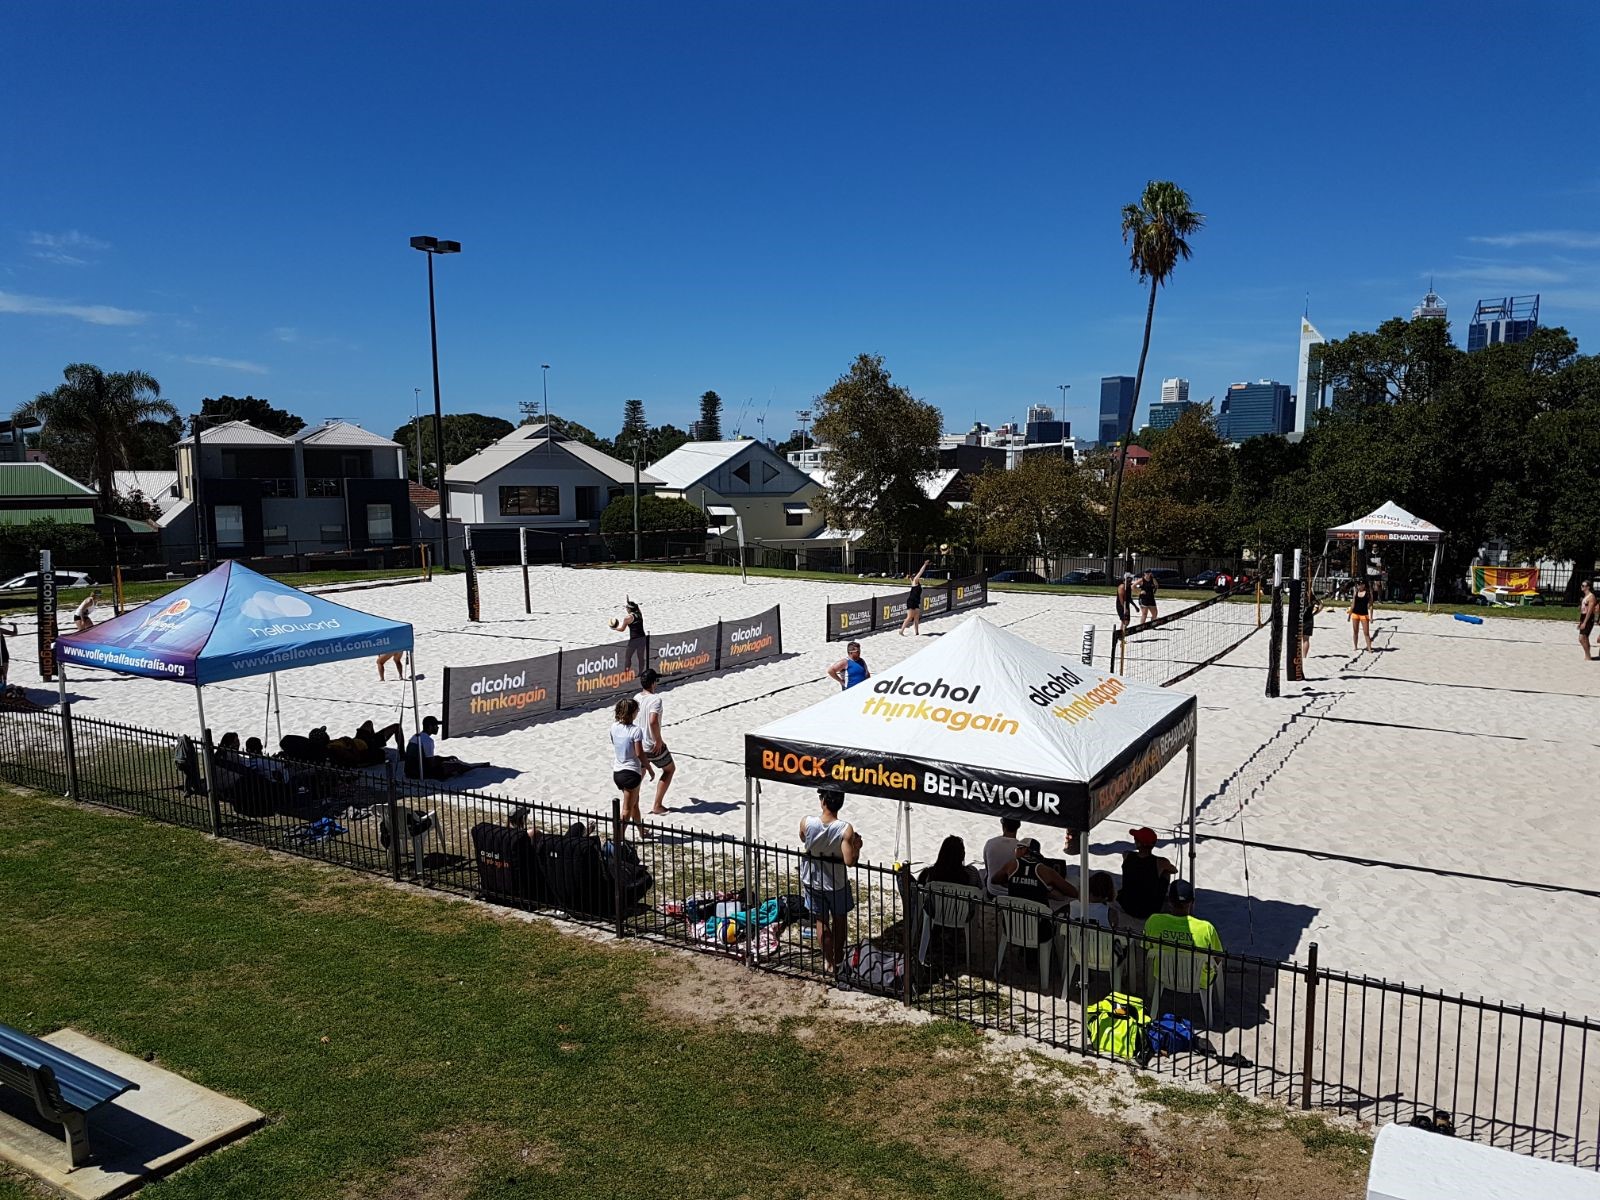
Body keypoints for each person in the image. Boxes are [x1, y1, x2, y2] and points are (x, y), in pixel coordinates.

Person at [799, 788, 861, 969]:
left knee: (821, 920)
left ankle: (829, 960)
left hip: (812, 878)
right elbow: (849, 861)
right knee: (839, 919)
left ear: (824, 800)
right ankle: (839, 956)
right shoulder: (844, 829)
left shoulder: (807, 822)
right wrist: (856, 847)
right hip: (835, 882)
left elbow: (803, 838)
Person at [1143, 878, 1225, 995]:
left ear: (1169, 901)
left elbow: (1147, 948)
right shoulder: (1206, 928)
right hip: (1199, 981)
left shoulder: (1154, 921)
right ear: (1192, 903)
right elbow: (1218, 958)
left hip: (1163, 975)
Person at [609, 696, 655, 837]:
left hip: (617, 771)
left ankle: (641, 830)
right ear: (632, 713)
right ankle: (618, 839)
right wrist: (649, 768)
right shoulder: (636, 730)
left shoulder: (614, 727)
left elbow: (614, 743)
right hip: (631, 773)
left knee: (635, 803)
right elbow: (639, 753)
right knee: (626, 809)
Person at [992, 839, 1078, 907]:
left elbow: (995, 879)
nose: (1015, 851)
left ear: (1024, 849)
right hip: (1039, 921)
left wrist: (1014, 882)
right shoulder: (1046, 871)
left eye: (1017, 848)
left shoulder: (1012, 865)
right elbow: (1073, 892)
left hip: (1013, 919)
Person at [636, 668, 675, 815]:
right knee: (669, 769)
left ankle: (634, 804)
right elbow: (653, 721)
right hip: (651, 745)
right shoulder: (655, 699)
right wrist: (658, 740)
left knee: (640, 774)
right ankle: (657, 805)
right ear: (653, 683)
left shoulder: (636, 698)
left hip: (638, 745)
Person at [1117, 827, 1177, 922]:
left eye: (1136, 839)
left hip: (1127, 905)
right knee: (1165, 872)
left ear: (1139, 843)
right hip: (1149, 909)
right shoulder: (1160, 862)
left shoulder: (1127, 855)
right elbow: (1174, 870)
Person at [404, 715, 485, 781]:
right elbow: (430, 763)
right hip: (419, 773)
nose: (438, 728)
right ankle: (474, 767)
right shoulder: (428, 741)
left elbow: (425, 758)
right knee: (455, 765)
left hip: (409, 771)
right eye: (436, 726)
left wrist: (444, 758)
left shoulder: (415, 737)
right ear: (430, 727)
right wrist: (443, 763)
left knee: (442, 759)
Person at [982, 817, 1023, 897]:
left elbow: (988, 869)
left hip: (993, 891)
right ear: (1018, 826)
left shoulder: (990, 843)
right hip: (1012, 894)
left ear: (1003, 825)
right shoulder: (1021, 849)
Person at [899, 560, 930, 635]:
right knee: (909, 617)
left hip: (916, 601)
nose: (917, 577)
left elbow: (916, 576)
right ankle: (901, 631)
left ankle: (916, 632)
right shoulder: (915, 581)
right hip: (911, 601)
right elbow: (920, 572)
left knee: (916, 617)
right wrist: (925, 565)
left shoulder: (916, 582)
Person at [619, 597, 647, 677]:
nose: (626, 609)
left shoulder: (627, 618)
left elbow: (622, 629)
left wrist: (614, 628)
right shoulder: (639, 614)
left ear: (629, 609)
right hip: (642, 638)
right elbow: (637, 607)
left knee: (628, 657)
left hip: (634, 640)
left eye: (626, 607)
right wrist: (631, 603)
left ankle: (626, 674)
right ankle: (640, 673)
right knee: (640, 657)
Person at [1349, 579, 1375, 652]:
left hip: (1364, 614)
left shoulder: (1368, 593)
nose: (1358, 586)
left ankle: (1369, 648)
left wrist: (1371, 617)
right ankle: (1355, 647)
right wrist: (1349, 614)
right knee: (1355, 631)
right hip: (1355, 614)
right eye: (1358, 584)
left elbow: (1371, 606)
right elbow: (1353, 604)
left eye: (1360, 584)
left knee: (1366, 632)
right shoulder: (1356, 593)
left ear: (1363, 585)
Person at [1301, 590, 1321, 662]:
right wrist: (1314, 613)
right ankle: (1304, 656)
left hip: (1300, 618)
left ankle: (1301, 655)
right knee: (1306, 639)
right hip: (1309, 618)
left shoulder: (1300, 596)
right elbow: (1321, 605)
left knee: (1298, 638)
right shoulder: (1312, 597)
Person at [1579, 580, 1597, 662]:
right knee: (1584, 638)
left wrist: (1585, 622)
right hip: (1583, 617)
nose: (1582, 586)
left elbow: (1590, 611)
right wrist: (1581, 621)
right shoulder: (1585, 596)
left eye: (1583, 585)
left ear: (1588, 587)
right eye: (1582, 585)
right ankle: (1588, 654)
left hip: (1588, 618)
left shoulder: (1591, 596)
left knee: (1582, 637)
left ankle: (1588, 655)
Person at [1115, 573, 1134, 639]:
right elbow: (1121, 599)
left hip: (1127, 604)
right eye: (1130, 578)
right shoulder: (1122, 586)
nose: (1131, 580)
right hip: (1121, 605)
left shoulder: (1129, 586)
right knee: (1124, 621)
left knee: (1127, 622)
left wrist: (1135, 606)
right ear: (1126, 579)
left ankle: (1121, 634)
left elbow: (1129, 598)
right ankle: (1120, 635)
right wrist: (1124, 608)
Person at [0, 619, 17, 688]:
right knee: (3, 670)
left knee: (4, 670)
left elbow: (14, 633)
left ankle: (3, 686)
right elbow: (14, 633)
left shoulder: (0, 630)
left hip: (3, 653)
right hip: (2, 654)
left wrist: (14, 626)